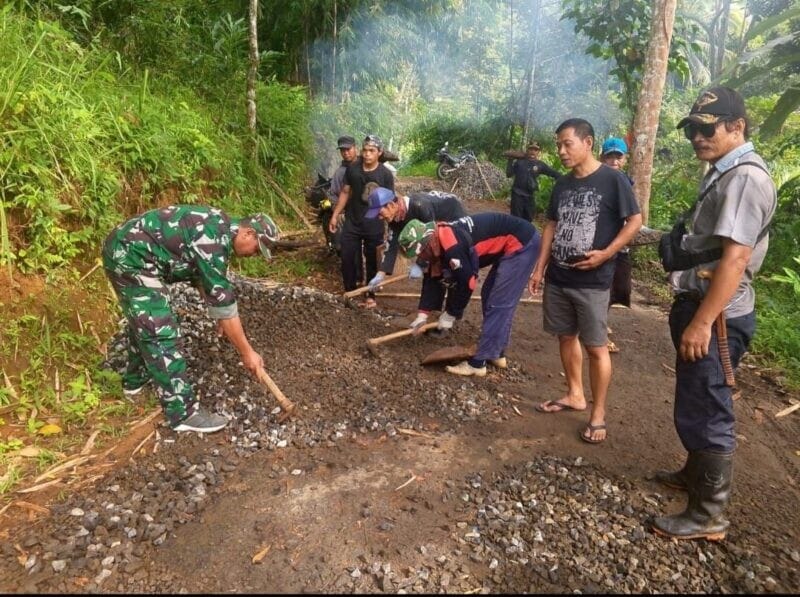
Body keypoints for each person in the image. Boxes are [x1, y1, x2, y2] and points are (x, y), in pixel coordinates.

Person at [651, 86, 776, 541]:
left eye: (707, 129)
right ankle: (694, 474)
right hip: (704, 306)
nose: (697, 138)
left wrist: (702, 321)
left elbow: (736, 259)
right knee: (697, 400)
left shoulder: (744, 178)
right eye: (691, 131)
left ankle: (708, 514)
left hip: (718, 317)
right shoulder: (724, 171)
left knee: (708, 408)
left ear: (737, 126)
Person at [102, 205, 280, 433]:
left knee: (147, 322)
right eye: (256, 249)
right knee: (160, 330)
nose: (253, 254)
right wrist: (248, 353)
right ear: (248, 233)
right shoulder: (213, 240)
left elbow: (202, 276)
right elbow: (225, 303)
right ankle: (182, 413)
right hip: (130, 257)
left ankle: (135, 382)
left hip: (132, 251)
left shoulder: (220, 229)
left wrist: (216, 311)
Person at [528, 118, 642, 445]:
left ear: (588, 142)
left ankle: (598, 413)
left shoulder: (613, 180)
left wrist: (607, 253)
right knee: (565, 336)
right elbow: (551, 224)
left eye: (567, 144)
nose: (561, 151)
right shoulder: (562, 184)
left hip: (593, 281)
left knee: (595, 346)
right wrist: (539, 268)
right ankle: (575, 394)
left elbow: (635, 221)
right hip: (559, 276)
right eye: (558, 145)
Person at [398, 213, 541, 376]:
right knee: (489, 295)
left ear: (427, 243)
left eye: (420, 253)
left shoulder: (453, 247)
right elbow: (433, 275)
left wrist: (451, 314)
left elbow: (467, 283)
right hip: (510, 242)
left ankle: (477, 365)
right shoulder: (436, 238)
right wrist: (422, 314)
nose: (420, 257)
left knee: (498, 303)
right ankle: (496, 352)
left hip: (522, 243)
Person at [363, 187, 467, 331]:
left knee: (449, 266)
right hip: (434, 227)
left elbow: (430, 237)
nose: (380, 218)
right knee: (431, 269)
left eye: (380, 213)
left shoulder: (419, 206)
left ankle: (453, 315)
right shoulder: (395, 217)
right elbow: (392, 244)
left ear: (391, 205)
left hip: (453, 218)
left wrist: (420, 264)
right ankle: (432, 313)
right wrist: (381, 273)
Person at [329, 134, 395, 309]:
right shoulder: (353, 169)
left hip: (374, 223)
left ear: (379, 152)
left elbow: (389, 201)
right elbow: (345, 192)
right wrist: (335, 215)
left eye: (371, 151)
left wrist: (390, 225)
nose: (367, 154)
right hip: (353, 221)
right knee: (347, 256)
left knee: (372, 259)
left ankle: (370, 294)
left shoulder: (385, 174)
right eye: (365, 150)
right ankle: (350, 291)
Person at [600, 137, 634, 354]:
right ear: (602, 158)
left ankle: (599, 321)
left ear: (625, 159)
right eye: (609, 156)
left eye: (618, 157)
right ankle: (598, 331)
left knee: (620, 287)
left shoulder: (626, 182)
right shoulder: (600, 181)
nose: (614, 161)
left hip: (621, 244)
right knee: (605, 287)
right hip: (604, 244)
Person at [505, 142, 561, 222]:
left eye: (535, 150)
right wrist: (510, 160)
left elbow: (553, 173)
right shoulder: (520, 162)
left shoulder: (540, 165)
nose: (533, 151)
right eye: (531, 149)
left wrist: (565, 178)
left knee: (528, 219)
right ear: (527, 150)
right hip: (517, 194)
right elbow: (509, 174)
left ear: (538, 152)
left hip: (529, 196)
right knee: (516, 220)